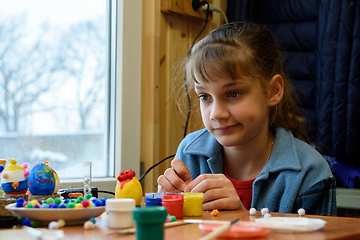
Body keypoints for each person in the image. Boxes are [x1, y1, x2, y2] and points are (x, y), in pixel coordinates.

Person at [157, 22, 336, 216]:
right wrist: (166, 210)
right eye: (205, 97)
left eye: (233, 94)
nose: (216, 113)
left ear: (273, 91)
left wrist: (241, 217)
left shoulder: (311, 173)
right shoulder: (190, 154)